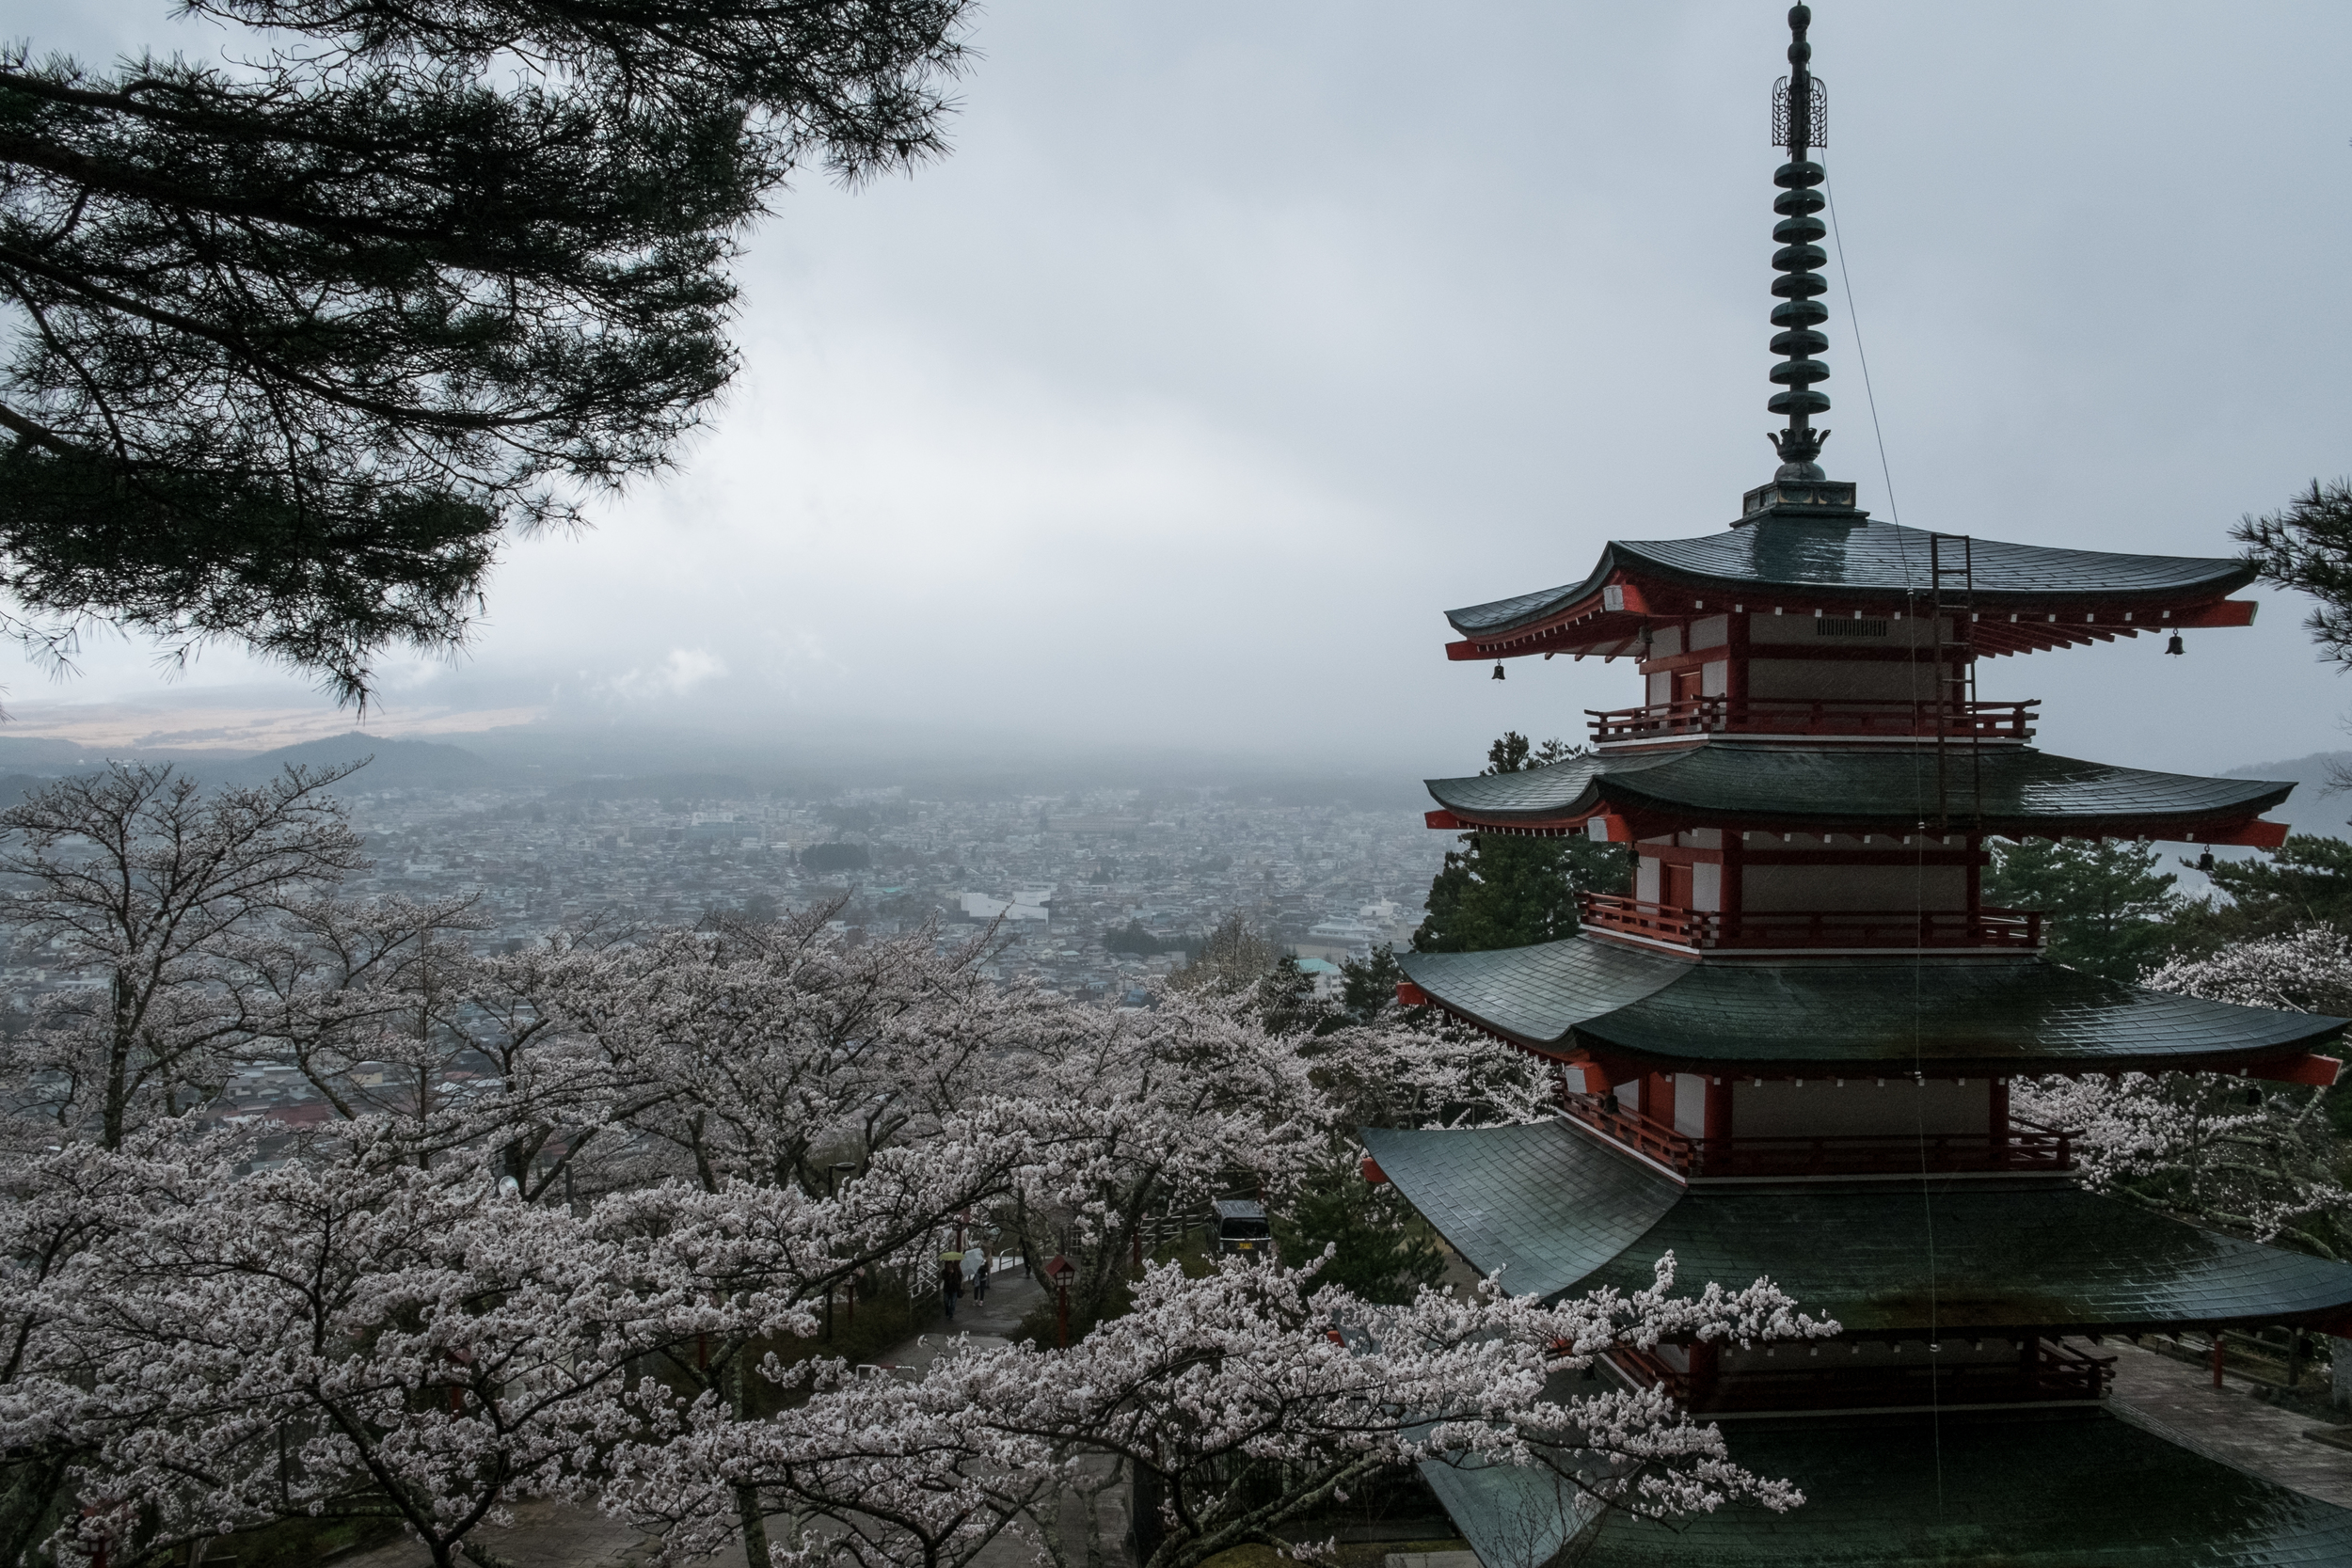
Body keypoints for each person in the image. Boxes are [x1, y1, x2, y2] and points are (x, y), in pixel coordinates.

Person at [942, 1258, 962, 1322]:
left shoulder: (956, 1271)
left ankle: (951, 1315)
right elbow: (944, 1278)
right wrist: (949, 1274)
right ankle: (947, 1311)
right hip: (947, 1289)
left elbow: (959, 1278)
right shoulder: (944, 1272)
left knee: (953, 1303)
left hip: (954, 1289)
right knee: (946, 1301)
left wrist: (954, 1275)